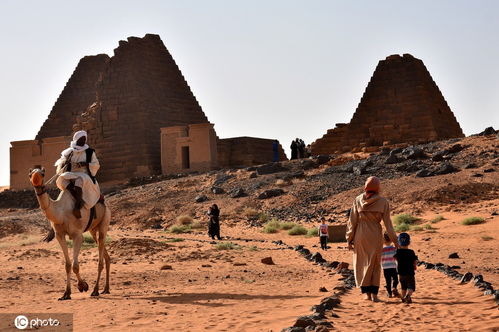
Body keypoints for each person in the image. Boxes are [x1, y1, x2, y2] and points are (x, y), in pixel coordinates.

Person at [346, 176, 398, 302]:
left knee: (361, 262)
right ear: (378, 187)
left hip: (360, 235)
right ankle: (374, 295)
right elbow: (388, 224)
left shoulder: (358, 199)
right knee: (375, 264)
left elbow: (352, 221)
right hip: (375, 234)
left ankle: (366, 294)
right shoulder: (383, 202)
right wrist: (395, 241)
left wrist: (349, 239)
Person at [54, 130, 100, 218]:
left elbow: (96, 165)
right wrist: (65, 163)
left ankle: (78, 205)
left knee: (79, 181)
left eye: (84, 139)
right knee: (61, 180)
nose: (83, 141)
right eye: (81, 139)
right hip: (71, 173)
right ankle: (76, 195)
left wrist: (86, 164)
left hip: (84, 174)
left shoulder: (90, 152)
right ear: (76, 139)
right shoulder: (69, 152)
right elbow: (61, 164)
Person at [394, 233, 418, 303]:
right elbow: (415, 261)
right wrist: (414, 266)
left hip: (401, 273)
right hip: (410, 272)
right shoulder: (411, 252)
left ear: (399, 242)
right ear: (409, 242)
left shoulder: (398, 252)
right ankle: (408, 296)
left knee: (403, 287)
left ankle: (403, 298)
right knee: (411, 287)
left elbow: (395, 259)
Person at [382, 232, 400, 298]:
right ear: (391, 240)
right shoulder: (394, 249)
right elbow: (396, 256)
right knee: (395, 279)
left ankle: (389, 293)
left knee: (388, 281)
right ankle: (394, 287)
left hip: (385, 268)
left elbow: (380, 258)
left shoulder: (382, 250)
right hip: (393, 266)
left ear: (383, 240)